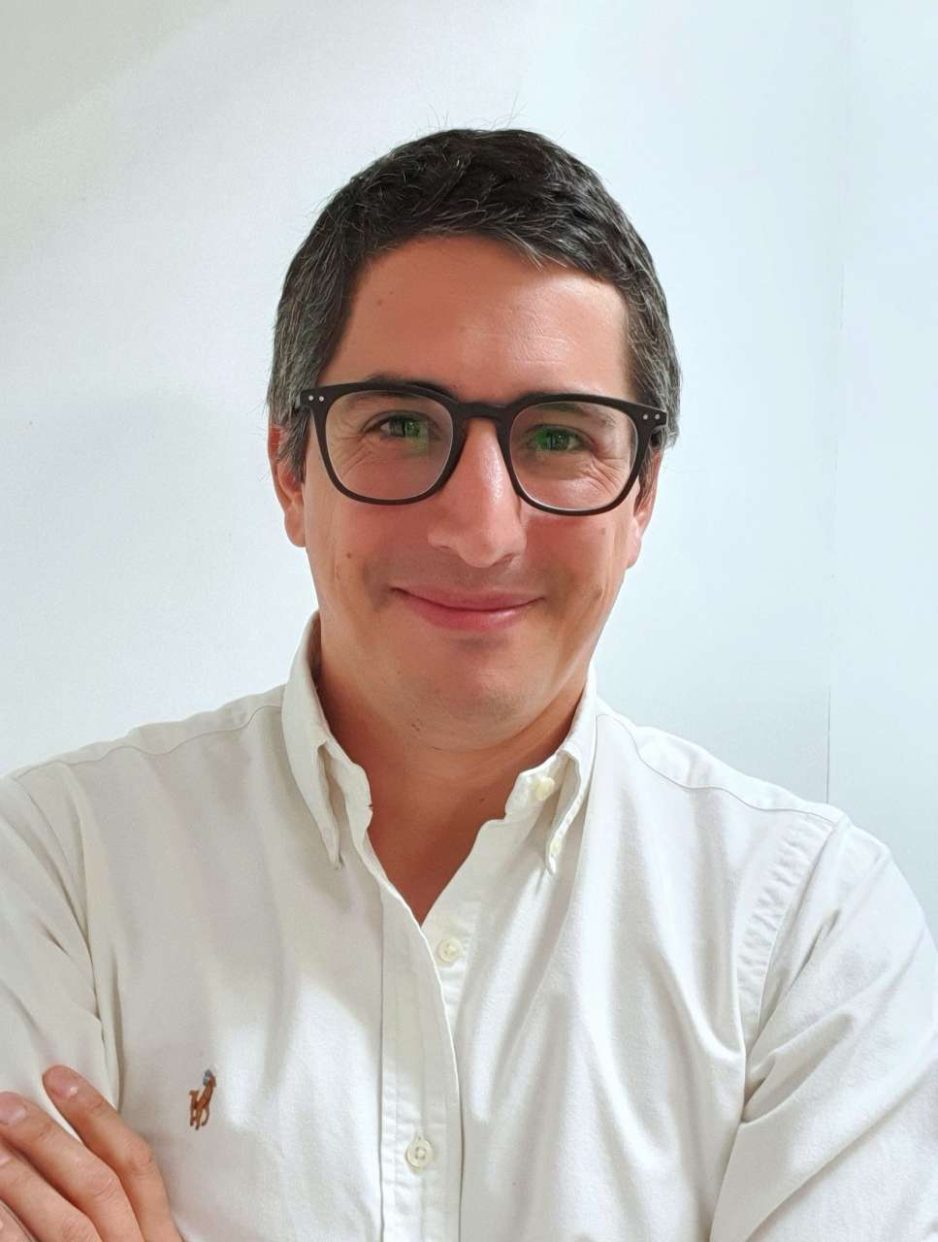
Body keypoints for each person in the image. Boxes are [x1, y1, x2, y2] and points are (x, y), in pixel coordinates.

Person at [0, 127, 935, 1242]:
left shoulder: (812, 929)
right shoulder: (56, 869)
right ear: (290, 470)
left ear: (641, 496)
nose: (482, 530)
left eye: (558, 437)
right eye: (401, 424)